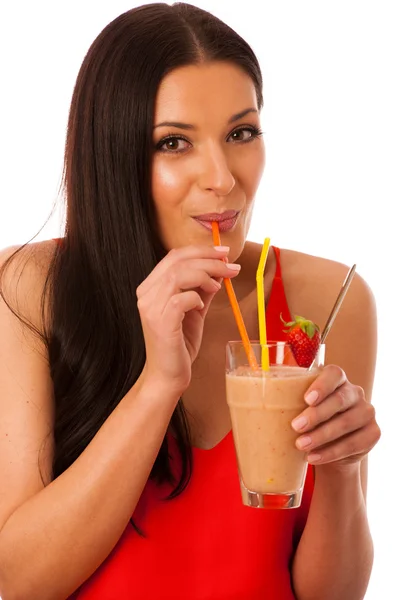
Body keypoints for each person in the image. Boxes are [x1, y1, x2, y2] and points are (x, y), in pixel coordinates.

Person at [0, 3, 380, 599]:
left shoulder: (330, 299)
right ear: (114, 155)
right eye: (174, 142)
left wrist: (344, 469)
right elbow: (19, 582)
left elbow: (327, 595)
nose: (223, 178)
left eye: (241, 133)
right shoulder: (29, 286)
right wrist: (157, 382)